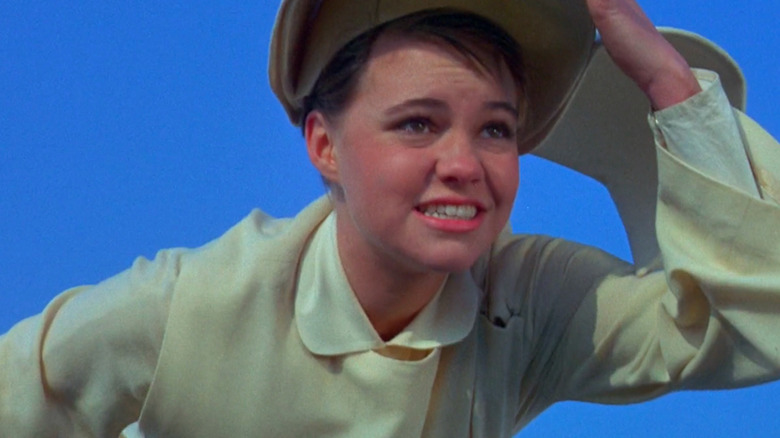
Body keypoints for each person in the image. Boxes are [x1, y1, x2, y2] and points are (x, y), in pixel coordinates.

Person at [1, 0, 779, 437]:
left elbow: (748, 326)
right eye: (417, 123)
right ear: (324, 145)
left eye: (496, 129)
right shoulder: (188, 307)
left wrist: (672, 86)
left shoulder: (529, 300)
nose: (465, 163)